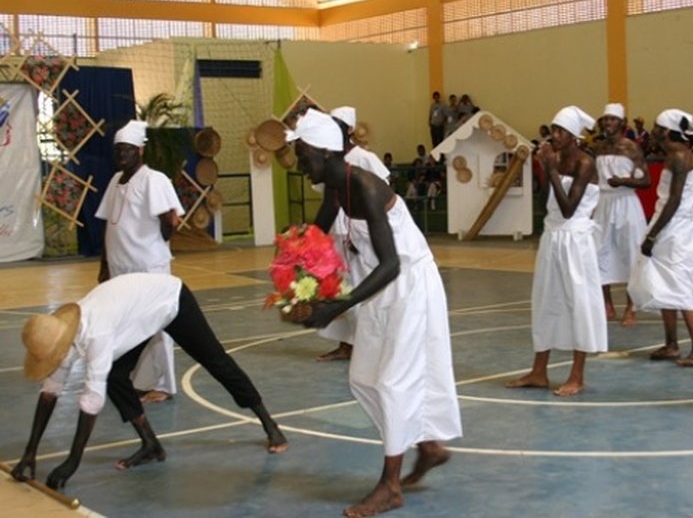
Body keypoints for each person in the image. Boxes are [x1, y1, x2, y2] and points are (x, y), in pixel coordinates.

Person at [288, 108, 462, 518]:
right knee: (364, 378)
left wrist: (337, 306)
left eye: (303, 155)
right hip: (380, 291)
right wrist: (296, 279)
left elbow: (391, 264)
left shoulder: (364, 185)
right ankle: (428, 446)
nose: (298, 164)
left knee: (392, 381)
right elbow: (316, 237)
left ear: (327, 154)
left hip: (408, 286)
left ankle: (390, 486)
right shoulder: (334, 187)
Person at [10, 272, 288, 490]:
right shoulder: (60, 336)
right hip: (137, 314)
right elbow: (50, 392)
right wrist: (29, 454)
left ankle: (269, 423)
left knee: (216, 361)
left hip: (170, 299)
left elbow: (91, 400)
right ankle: (151, 445)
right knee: (117, 376)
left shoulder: (97, 332)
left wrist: (72, 462)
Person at [506, 106, 607, 396]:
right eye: (553, 128)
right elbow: (545, 205)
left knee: (579, 304)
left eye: (561, 130)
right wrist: (543, 169)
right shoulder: (556, 159)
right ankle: (539, 371)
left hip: (576, 241)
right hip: (552, 238)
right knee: (545, 301)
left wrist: (549, 168)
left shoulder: (585, 163)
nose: (554, 135)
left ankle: (577, 375)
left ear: (574, 136)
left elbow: (567, 209)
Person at [96, 120, 184, 404]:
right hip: (121, 269)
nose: (122, 155)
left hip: (148, 267)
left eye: (128, 150)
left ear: (140, 151)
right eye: (119, 150)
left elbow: (168, 221)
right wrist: (105, 266)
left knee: (157, 328)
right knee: (130, 326)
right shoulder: (115, 182)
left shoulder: (154, 179)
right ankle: (141, 379)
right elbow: (109, 226)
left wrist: (168, 229)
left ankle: (164, 384)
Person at [627, 109, 693, 367]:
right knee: (665, 286)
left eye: (656, 127)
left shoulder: (679, 156)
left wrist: (652, 234)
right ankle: (672, 344)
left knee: (682, 287)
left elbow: (674, 200)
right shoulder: (675, 155)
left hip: (677, 231)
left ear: (667, 131)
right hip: (669, 227)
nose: (653, 131)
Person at [314, 106, 391, 362]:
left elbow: (382, 192)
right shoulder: (328, 157)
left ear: (348, 130)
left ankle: (369, 347)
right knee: (337, 288)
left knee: (362, 290)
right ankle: (346, 344)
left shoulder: (364, 158)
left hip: (362, 233)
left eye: (337, 124)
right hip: (338, 233)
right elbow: (328, 200)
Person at [592, 103, 651, 326]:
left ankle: (631, 306)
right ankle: (607, 304)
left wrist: (623, 181)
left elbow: (646, 181)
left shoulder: (631, 148)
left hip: (626, 203)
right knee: (599, 251)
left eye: (612, 119)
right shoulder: (597, 148)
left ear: (622, 123)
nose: (608, 123)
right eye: (605, 119)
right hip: (603, 203)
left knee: (631, 253)